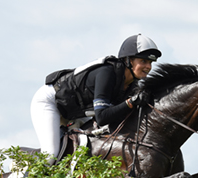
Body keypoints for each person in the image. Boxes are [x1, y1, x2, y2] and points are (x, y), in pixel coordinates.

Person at [30, 34, 162, 161]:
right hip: (51, 102)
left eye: (151, 62)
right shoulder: (107, 73)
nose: (148, 67)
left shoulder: (132, 85)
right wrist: (130, 103)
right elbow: (102, 117)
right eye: (143, 61)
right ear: (128, 60)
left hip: (75, 111)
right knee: (50, 155)